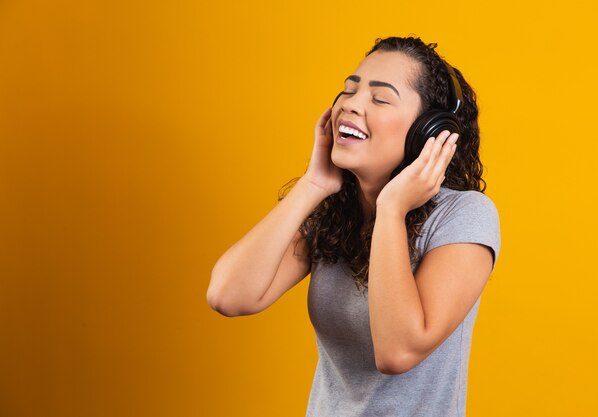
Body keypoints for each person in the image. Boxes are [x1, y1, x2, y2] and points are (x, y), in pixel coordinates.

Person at [207, 36, 501, 417]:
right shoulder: (335, 213)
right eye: (349, 91)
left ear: (428, 132)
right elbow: (228, 296)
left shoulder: (463, 214)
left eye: (380, 99)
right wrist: (314, 185)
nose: (350, 105)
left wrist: (391, 210)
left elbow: (398, 352)